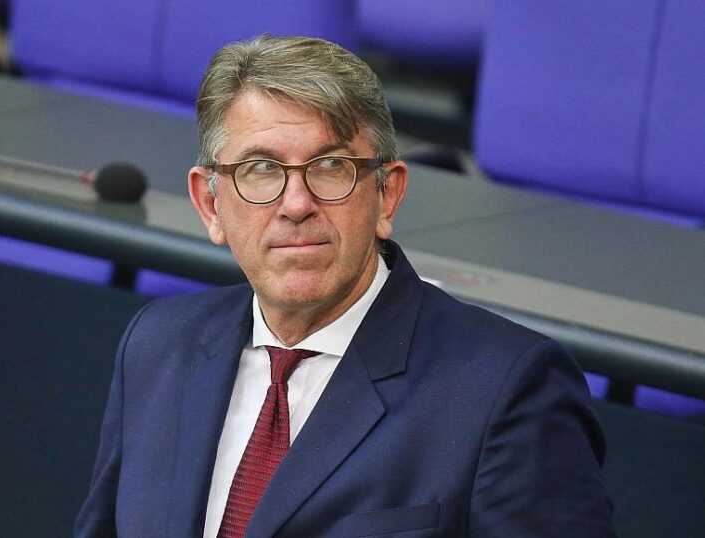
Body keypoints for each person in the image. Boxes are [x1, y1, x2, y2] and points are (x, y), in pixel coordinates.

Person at [76, 35, 615, 537]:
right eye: (261, 168)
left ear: (387, 196)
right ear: (210, 205)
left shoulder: (505, 389)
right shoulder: (157, 345)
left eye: (331, 166)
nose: (296, 204)